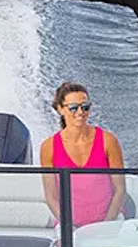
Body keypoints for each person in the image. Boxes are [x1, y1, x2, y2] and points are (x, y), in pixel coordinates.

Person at [38, 81, 125, 228]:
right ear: (60, 109)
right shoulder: (48, 147)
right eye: (73, 107)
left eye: (85, 106)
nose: (80, 112)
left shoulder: (108, 141)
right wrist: (69, 226)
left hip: (110, 221)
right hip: (68, 225)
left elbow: (120, 189)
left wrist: (106, 224)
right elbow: (51, 197)